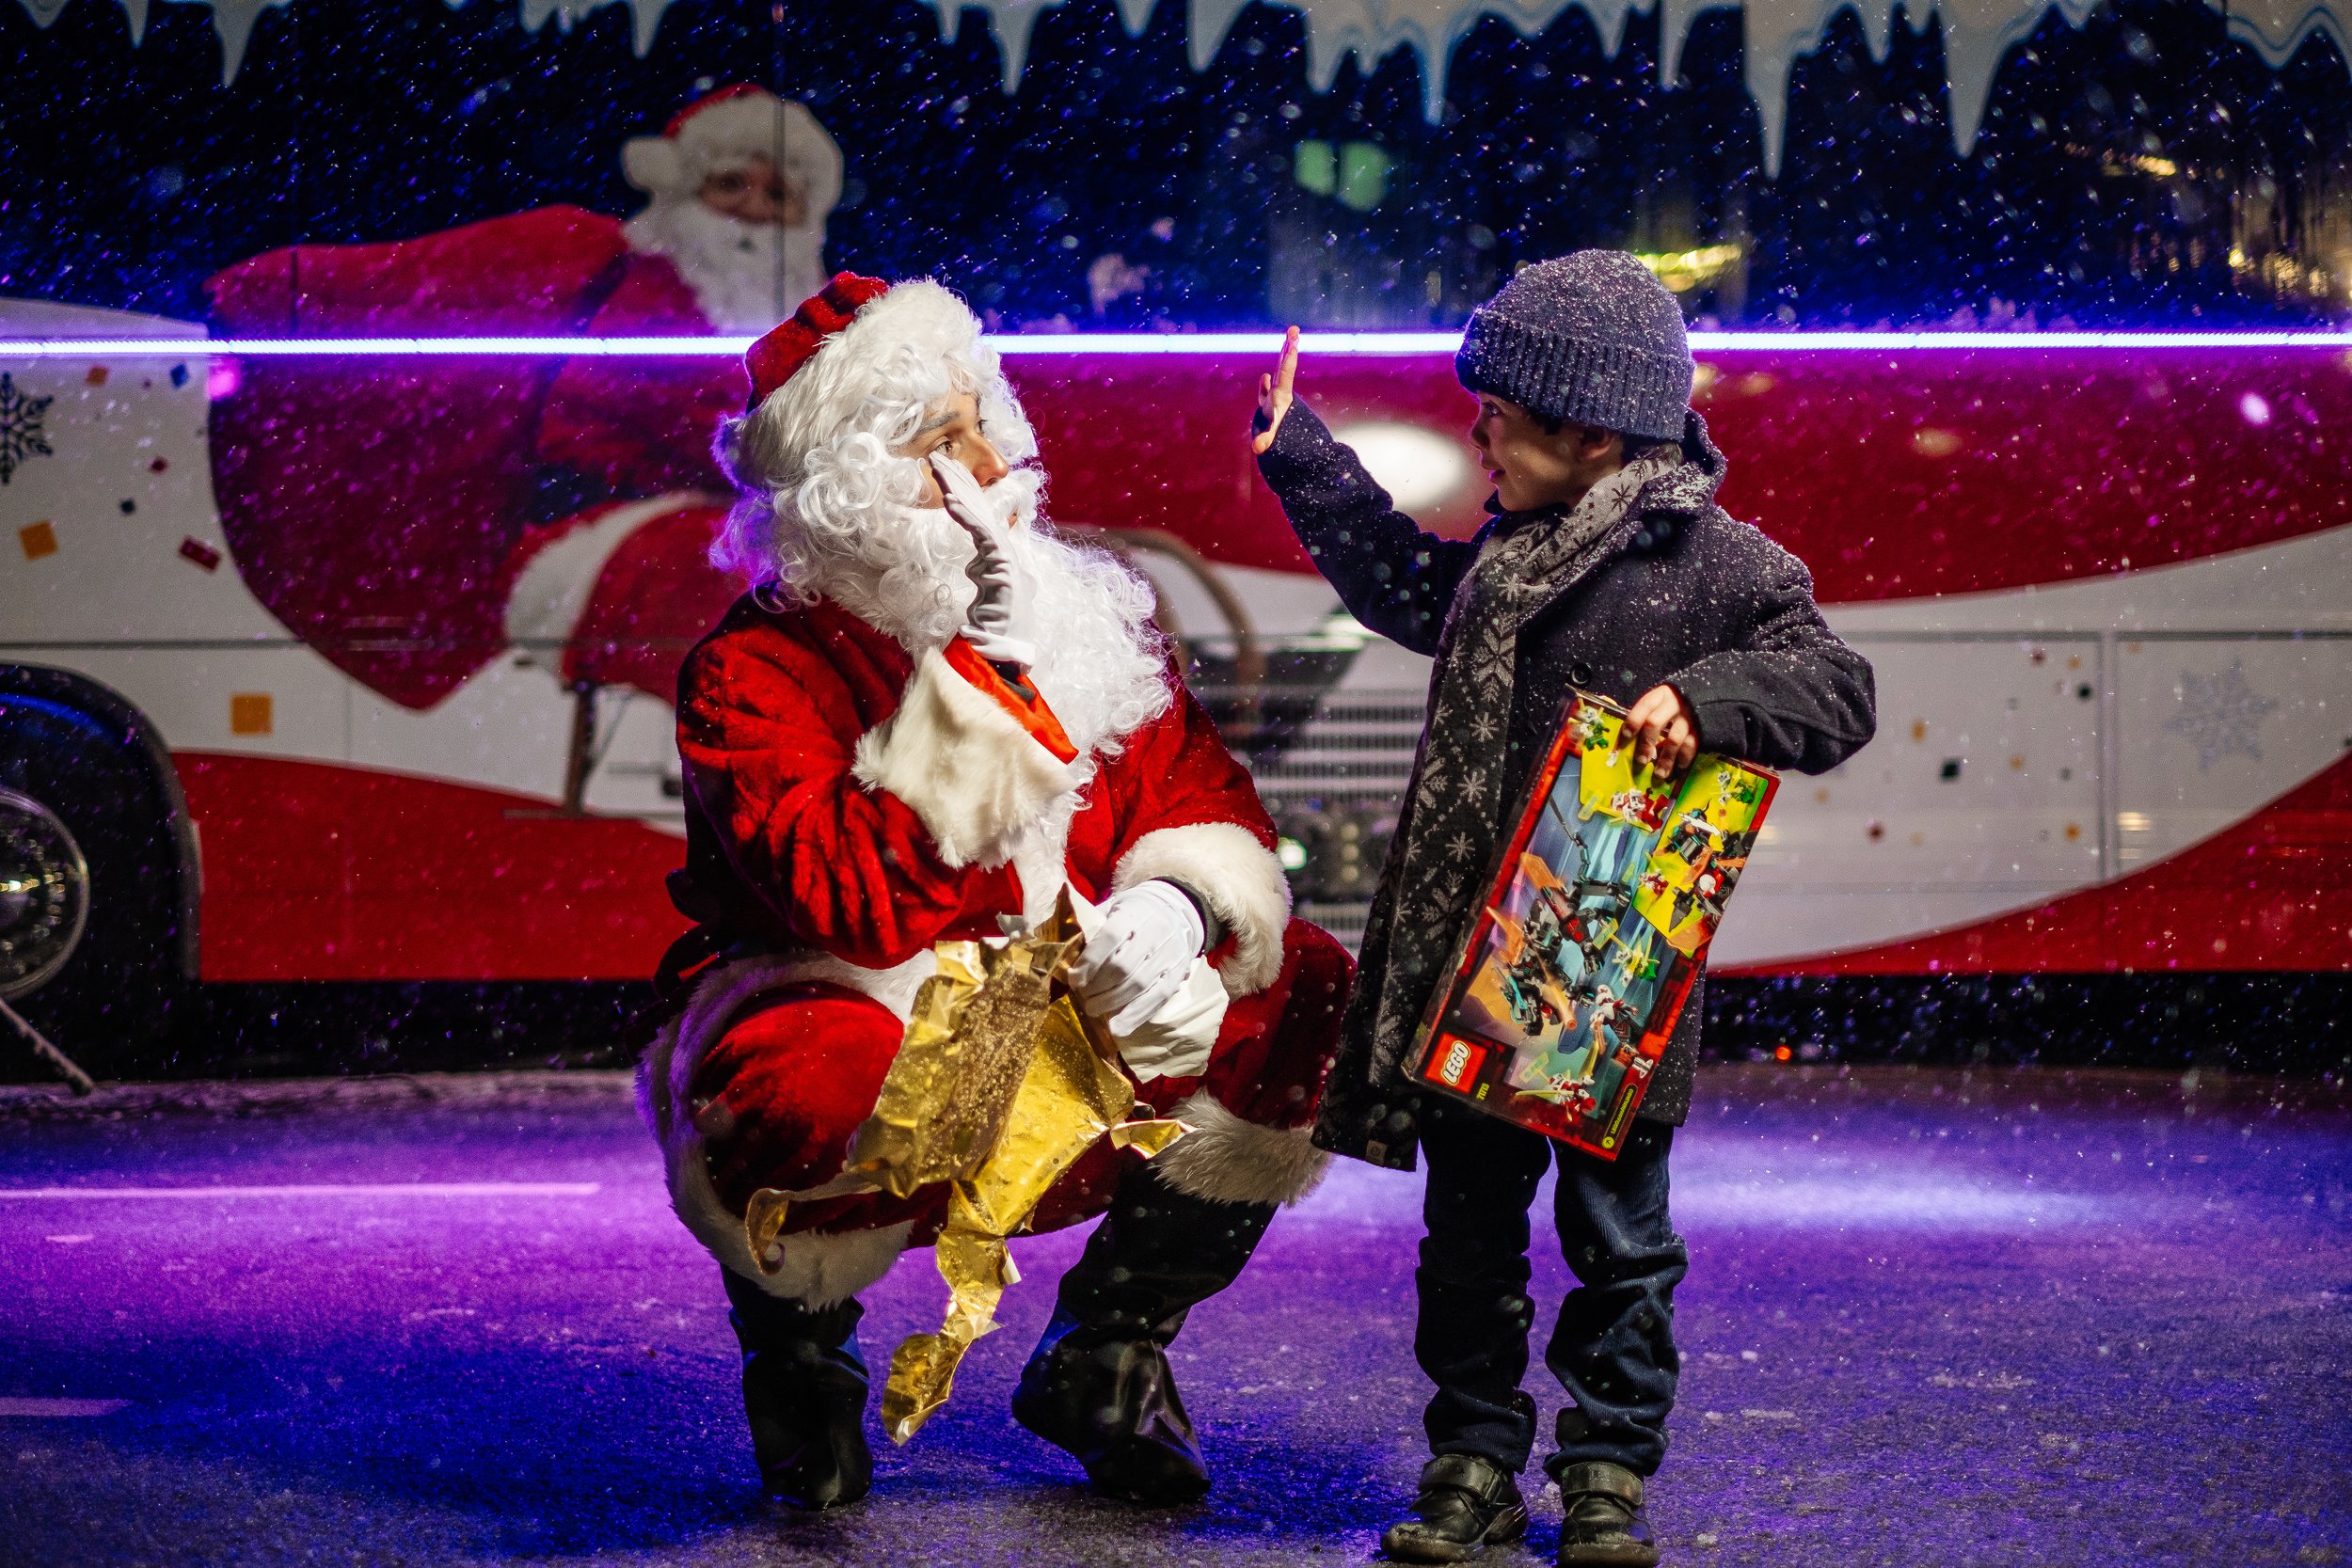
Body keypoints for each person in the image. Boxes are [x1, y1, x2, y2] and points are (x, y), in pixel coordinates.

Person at [641, 273, 1352, 1512]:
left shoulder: (1081, 606)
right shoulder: (752, 671)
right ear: (847, 493)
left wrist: (1174, 907)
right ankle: (802, 1356)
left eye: (989, 418)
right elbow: (848, 900)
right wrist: (983, 682)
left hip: (1056, 1026)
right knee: (807, 1075)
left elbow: (1210, 798)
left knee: (1304, 984)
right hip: (877, 1026)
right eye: (938, 442)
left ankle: (1109, 1350)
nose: (996, 460)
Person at [1250, 251, 1876, 1565]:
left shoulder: (1717, 564)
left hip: (1611, 983)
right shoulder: (1510, 555)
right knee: (1468, 1241)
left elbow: (1837, 688)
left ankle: (1605, 1472)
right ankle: (1471, 1462)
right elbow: (1410, 589)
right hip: (1478, 965)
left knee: (1619, 1243)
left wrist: (1710, 697)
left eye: (1501, 418)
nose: (1477, 435)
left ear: (1591, 434)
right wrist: (1305, 458)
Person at [204, 85, 842, 711]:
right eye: (731, 185)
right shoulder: (614, 271)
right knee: (738, 588)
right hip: (598, 534)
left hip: (755, 528)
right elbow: (419, 281)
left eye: (780, 195)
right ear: (682, 191)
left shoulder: (826, 322)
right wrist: (265, 297)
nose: (754, 211)